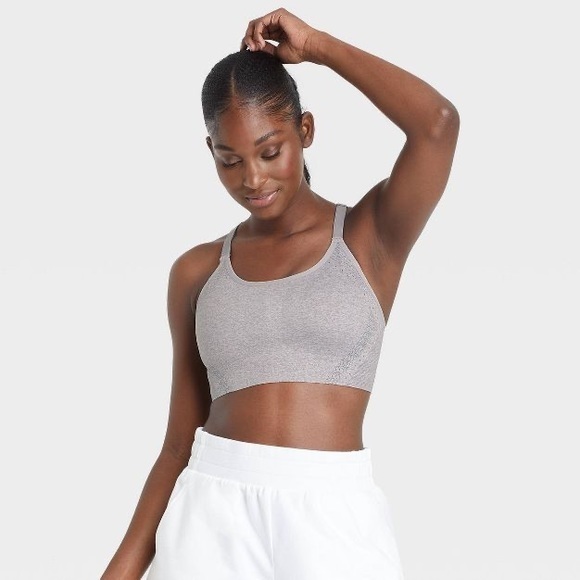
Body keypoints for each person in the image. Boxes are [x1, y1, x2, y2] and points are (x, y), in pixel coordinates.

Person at [101, 7, 459, 580]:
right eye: (230, 161)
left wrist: (317, 46)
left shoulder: (369, 237)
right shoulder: (197, 271)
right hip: (211, 513)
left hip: (333, 514)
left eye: (270, 152)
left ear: (306, 131)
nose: (253, 179)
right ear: (211, 152)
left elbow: (437, 125)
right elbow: (176, 447)